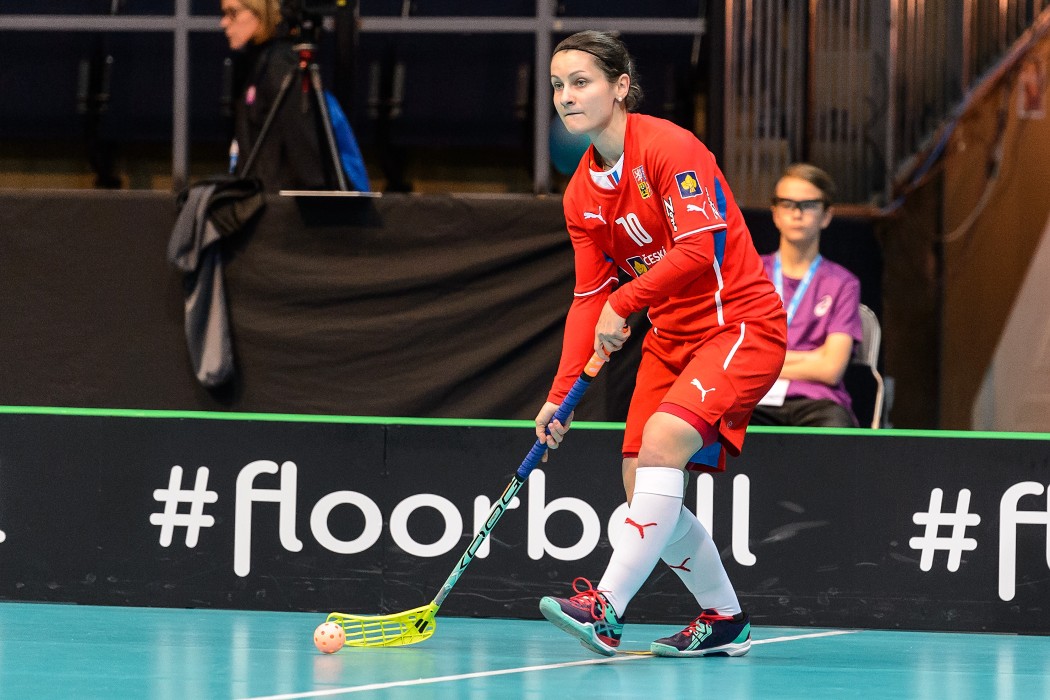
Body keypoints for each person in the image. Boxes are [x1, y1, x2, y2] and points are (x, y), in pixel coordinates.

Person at [534, 31, 787, 658]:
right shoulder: (580, 195)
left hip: (739, 324)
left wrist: (626, 302)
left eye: (581, 82)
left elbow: (703, 248)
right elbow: (587, 298)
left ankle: (606, 610)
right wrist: (560, 396)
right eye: (558, 86)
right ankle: (724, 619)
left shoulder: (670, 147)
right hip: (672, 338)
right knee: (637, 480)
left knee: (664, 442)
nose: (566, 97)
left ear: (620, 87)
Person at [750, 164, 863, 428]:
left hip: (818, 402)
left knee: (836, 427)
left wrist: (766, 360)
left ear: (826, 215)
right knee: (715, 424)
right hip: (754, 397)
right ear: (775, 214)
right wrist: (812, 357)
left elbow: (831, 369)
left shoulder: (843, 284)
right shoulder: (750, 274)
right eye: (787, 204)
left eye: (809, 204)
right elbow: (735, 355)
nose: (797, 213)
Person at [220, 0, 332, 191]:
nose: (224, 23)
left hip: (278, 209)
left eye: (233, 13)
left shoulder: (281, 65)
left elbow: (306, 156)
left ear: (261, 12)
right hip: (257, 199)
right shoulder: (254, 62)